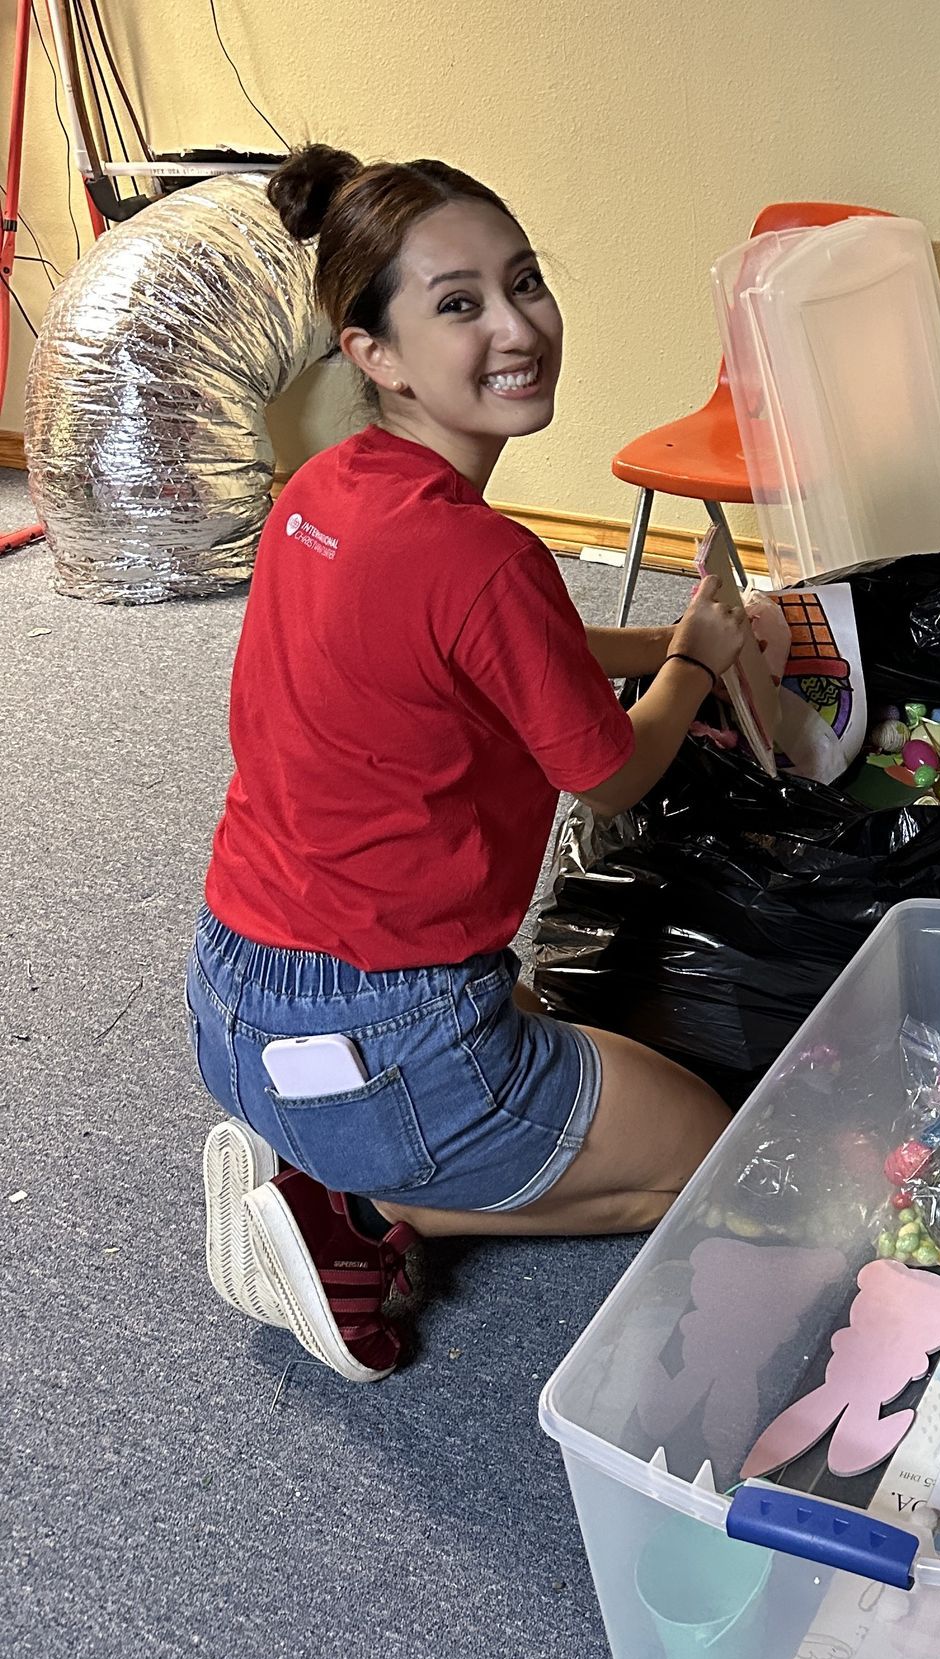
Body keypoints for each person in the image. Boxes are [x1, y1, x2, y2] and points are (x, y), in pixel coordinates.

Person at [188, 145, 765, 1383]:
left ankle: (338, 1148)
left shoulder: (323, 491)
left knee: (570, 1039)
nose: (517, 326)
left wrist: (663, 637)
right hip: (385, 1035)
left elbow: (503, 649)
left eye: (525, 282)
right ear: (374, 354)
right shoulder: (482, 555)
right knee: (703, 1153)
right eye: (458, 305)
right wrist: (701, 661)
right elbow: (613, 770)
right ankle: (353, 1208)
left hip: (234, 991)